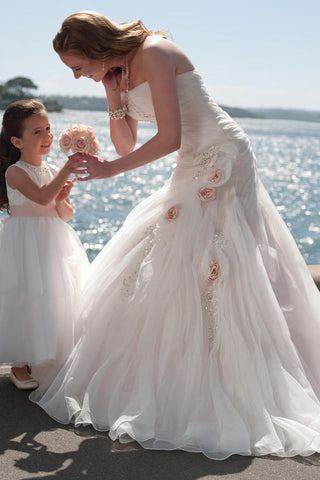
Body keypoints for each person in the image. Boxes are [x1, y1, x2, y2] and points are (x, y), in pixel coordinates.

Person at [34, 12, 320, 459]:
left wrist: (109, 169)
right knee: (171, 249)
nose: (76, 75)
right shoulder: (120, 72)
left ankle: (246, 376)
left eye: (77, 65)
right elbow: (126, 144)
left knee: (221, 260)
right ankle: (186, 370)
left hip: (222, 155)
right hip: (191, 160)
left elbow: (169, 137)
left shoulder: (156, 52)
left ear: (95, 47)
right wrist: (113, 93)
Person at [0, 99, 89, 390]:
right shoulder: (15, 172)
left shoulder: (51, 170)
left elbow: (63, 213)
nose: (47, 136)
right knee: (26, 296)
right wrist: (68, 167)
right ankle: (20, 364)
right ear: (17, 141)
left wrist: (63, 198)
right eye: (37, 131)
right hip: (25, 243)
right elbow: (39, 197)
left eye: (48, 128)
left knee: (54, 295)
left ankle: (48, 354)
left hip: (52, 241)